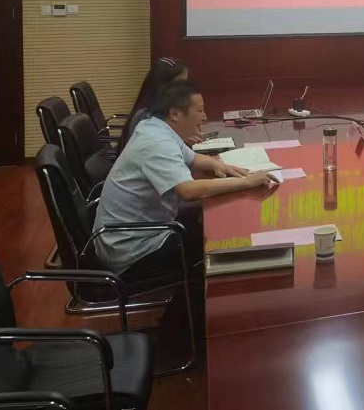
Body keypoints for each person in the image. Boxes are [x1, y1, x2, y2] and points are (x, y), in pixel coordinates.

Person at [94, 80, 279, 277]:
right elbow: (187, 190)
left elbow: (192, 158)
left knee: (215, 225)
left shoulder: (155, 127)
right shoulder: (156, 143)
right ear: (175, 114)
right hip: (131, 249)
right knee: (219, 243)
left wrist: (220, 166)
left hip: (141, 231)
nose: (205, 117)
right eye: (199, 111)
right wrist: (245, 182)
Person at [121, 57, 190, 150]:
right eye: (181, 83)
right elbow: (157, 147)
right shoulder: (146, 117)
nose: (184, 88)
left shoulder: (166, 108)